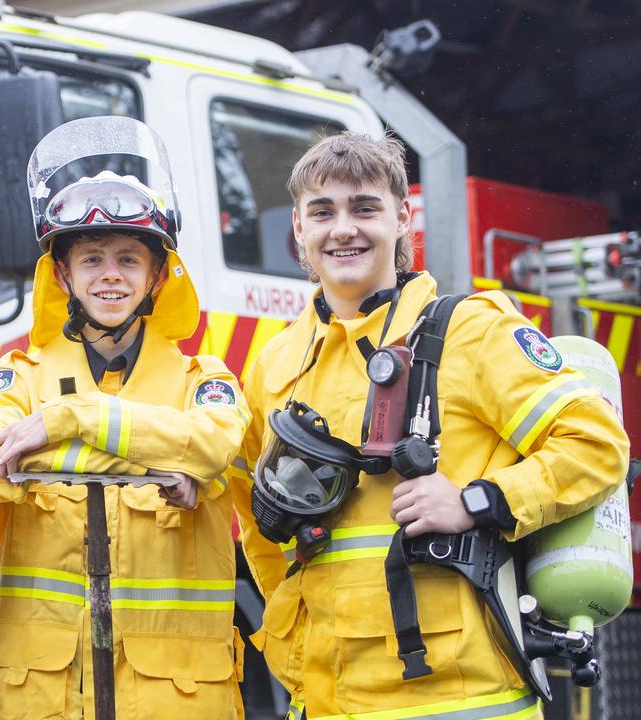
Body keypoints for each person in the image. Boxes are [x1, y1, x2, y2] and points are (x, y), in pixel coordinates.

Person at [235, 131, 629, 720]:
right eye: (323, 212)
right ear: (299, 228)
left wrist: (479, 500)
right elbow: (258, 524)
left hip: (461, 699)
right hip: (324, 702)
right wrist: (286, 645)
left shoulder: (470, 332)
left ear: (402, 218)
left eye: (364, 208)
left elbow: (597, 444)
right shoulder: (274, 365)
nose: (343, 229)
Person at [0, 116, 251, 719]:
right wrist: (159, 455)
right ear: (63, 274)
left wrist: (68, 420)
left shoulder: (208, 381)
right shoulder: (13, 375)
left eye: (127, 258)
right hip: (42, 695)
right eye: (91, 259)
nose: (110, 275)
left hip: (173, 698)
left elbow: (214, 446)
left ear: (157, 277)